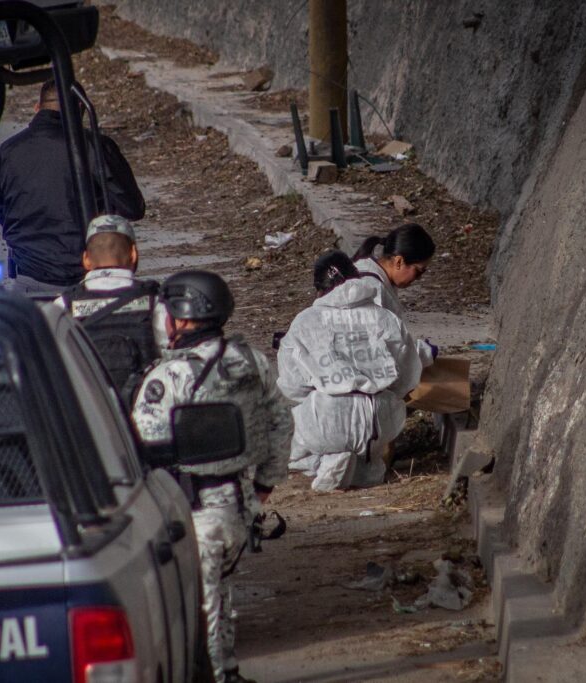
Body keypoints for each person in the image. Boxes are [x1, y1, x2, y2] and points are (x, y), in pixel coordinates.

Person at [132, 271, 291, 683]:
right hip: (241, 504)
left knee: (200, 605)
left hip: (195, 510)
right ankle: (230, 670)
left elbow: (142, 447)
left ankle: (217, 676)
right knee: (219, 592)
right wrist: (266, 480)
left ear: (183, 317)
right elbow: (280, 419)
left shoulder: (168, 378)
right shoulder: (250, 359)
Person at [277, 251, 422, 491]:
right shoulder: (385, 318)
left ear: (320, 289)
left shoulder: (306, 321)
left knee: (289, 434)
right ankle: (368, 467)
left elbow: (293, 387)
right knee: (370, 458)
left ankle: (327, 459)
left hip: (328, 418)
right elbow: (407, 377)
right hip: (381, 418)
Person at [0, 80, 145, 294]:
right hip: (87, 278)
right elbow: (133, 208)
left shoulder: (8, 150)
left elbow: (2, 210)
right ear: (81, 109)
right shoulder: (94, 146)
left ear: (38, 108)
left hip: (28, 276)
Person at [53, 214, 167, 406]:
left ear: (86, 260)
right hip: (144, 410)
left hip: (90, 415)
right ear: (133, 254)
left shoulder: (62, 306)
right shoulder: (154, 301)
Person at [352, 223, 438, 367]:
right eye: (418, 271)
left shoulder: (366, 271)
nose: (419, 278)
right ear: (399, 261)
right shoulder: (373, 289)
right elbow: (385, 351)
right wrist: (423, 353)